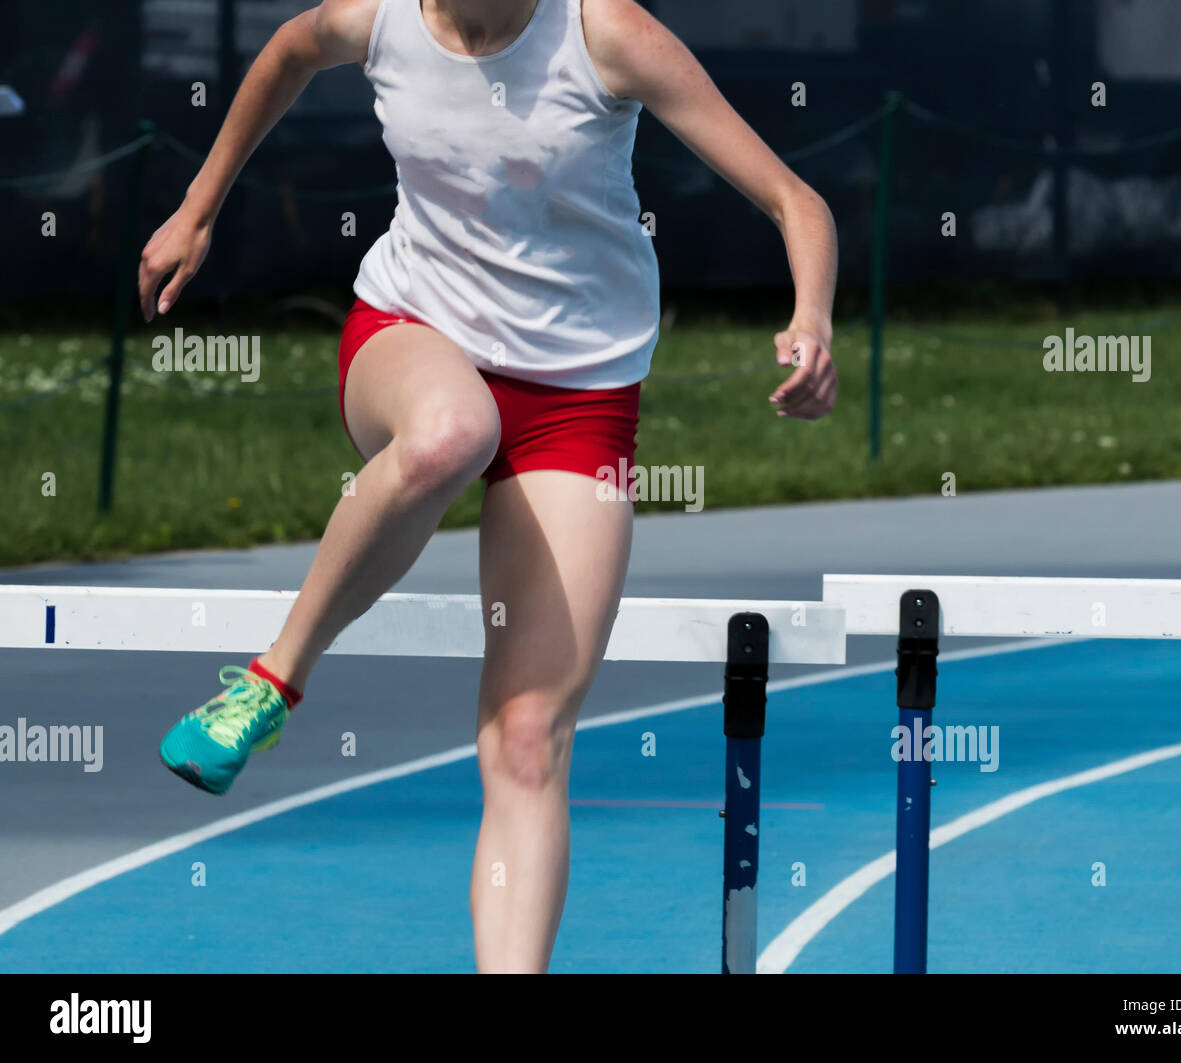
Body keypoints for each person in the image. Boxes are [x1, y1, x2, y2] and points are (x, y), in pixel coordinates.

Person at [141, 0, 838, 973]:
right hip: (411, 339)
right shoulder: (378, 19)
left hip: (578, 398)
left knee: (525, 740)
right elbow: (290, 53)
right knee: (450, 433)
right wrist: (198, 206)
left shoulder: (608, 34)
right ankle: (268, 682)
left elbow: (797, 200)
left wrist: (812, 320)